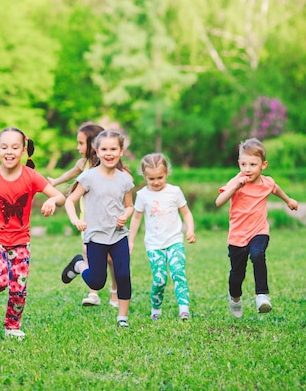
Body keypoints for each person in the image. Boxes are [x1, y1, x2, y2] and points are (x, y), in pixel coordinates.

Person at [0, 127, 65, 340]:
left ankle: (12, 327)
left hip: (20, 240)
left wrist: (51, 200)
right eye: (4, 147)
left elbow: (60, 197)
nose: (9, 151)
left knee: (18, 288)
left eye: (15, 147)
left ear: (23, 150)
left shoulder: (31, 176)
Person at [216, 138, 298, 318]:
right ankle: (235, 298)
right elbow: (218, 202)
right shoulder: (236, 181)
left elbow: (275, 189)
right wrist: (235, 187)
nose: (247, 169)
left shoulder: (267, 182)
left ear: (263, 165)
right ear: (239, 163)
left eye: (253, 164)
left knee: (257, 254)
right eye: (243, 164)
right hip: (237, 237)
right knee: (237, 274)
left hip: (259, 231)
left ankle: (261, 295)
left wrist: (288, 200)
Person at [61, 130, 134, 327]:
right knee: (96, 282)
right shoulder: (89, 177)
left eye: (113, 149)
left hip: (119, 236)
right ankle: (78, 264)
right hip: (95, 237)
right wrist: (75, 219)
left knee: (123, 274)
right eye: (104, 149)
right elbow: (70, 201)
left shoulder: (125, 179)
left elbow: (129, 206)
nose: (109, 153)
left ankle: (122, 317)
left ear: (121, 151)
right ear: (96, 151)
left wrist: (125, 215)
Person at [48, 123, 119, 308]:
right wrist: (55, 181)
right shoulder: (83, 164)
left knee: (111, 258)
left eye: (81, 143)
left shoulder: (107, 164)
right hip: (88, 221)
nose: (78, 147)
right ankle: (93, 293)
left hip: (110, 219)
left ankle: (114, 292)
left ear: (93, 143)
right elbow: (69, 173)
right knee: (91, 255)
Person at [128, 153, 196, 321]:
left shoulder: (174, 192)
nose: (156, 181)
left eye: (160, 177)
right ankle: (156, 309)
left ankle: (184, 309)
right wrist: (130, 240)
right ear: (144, 176)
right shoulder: (143, 195)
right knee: (159, 280)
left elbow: (186, 213)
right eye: (151, 179)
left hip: (174, 241)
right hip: (154, 244)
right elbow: (136, 218)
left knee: (178, 273)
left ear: (167, 173)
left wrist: (190, 230)